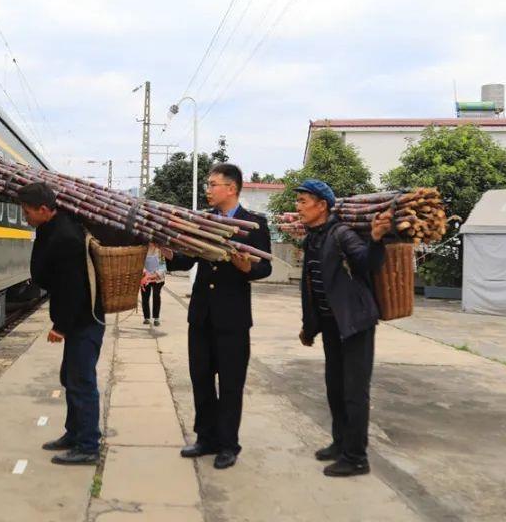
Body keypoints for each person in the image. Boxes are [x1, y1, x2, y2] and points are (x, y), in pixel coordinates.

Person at [162, 163, 272, 469]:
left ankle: (228, 444)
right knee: (201, 379)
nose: (208, 189)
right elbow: (184, 261)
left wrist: (246, 268)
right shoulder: (202, 221)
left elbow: (266, 267)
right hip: (201, 316)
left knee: (231, 383)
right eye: (208, 184)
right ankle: (205, 438)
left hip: (233, 319)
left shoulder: (254, 224)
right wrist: (167, 249)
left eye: (213, 184)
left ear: (232, 188)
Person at [294, 179, 392, 477]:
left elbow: (367, 265)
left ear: (322, 205)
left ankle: (357, 457)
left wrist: (375, 239)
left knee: (354, 392)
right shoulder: (313, 237)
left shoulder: (341, 233)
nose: (297, 207)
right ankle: (340, 444)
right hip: (331, 325)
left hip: (355, 324)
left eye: (303, 201)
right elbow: (310, 285)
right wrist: (309, 326)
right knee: (335, 388)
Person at [18, 182, 105, 465]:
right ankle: (74, 433)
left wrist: (61, 327)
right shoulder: (51, 228)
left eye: (27, 211)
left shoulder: (66, 236)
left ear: (44, 210)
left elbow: (74, 289)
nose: (25, 217)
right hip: (79, 319)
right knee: (70, 377)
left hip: (84, 319)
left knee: (81, 381)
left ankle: (89, 446)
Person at [141, 243, 166, 326]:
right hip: (145, 278)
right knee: (145, 297)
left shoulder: (160, 251)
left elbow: (163, 267)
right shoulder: (143, 250)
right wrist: (145, 274)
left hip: (157, 278)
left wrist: (154, 276)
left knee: (156, 295)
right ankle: (146, 317)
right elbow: (140, 264)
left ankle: (156, 318)